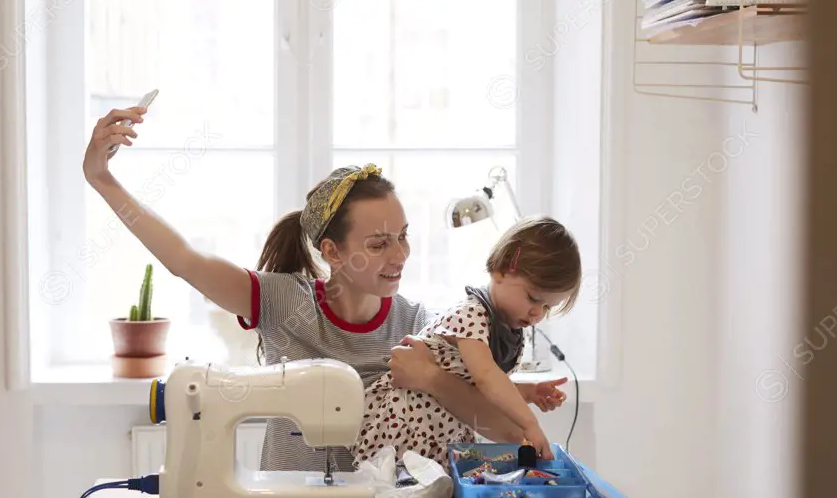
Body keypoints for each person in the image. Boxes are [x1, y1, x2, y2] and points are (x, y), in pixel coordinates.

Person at [82, 104, 557, 472]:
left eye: (403, 236)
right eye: (378, 243)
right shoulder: (281, 301)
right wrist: (102, 180)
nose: (400, 255)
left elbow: (500, 426)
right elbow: (184, 260)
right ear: (331, 252)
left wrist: (433, 378)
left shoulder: (416, 326)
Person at [353, 216, 581, 467]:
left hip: (439, 430)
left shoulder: (506, 329)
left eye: (548, 307)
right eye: (533, 298)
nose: (538, 313)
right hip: (402, 423)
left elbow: (484, 388)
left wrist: (530, 392)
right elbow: (485, 377)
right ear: (502, 270)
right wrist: (530, 423)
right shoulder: (471, 315)